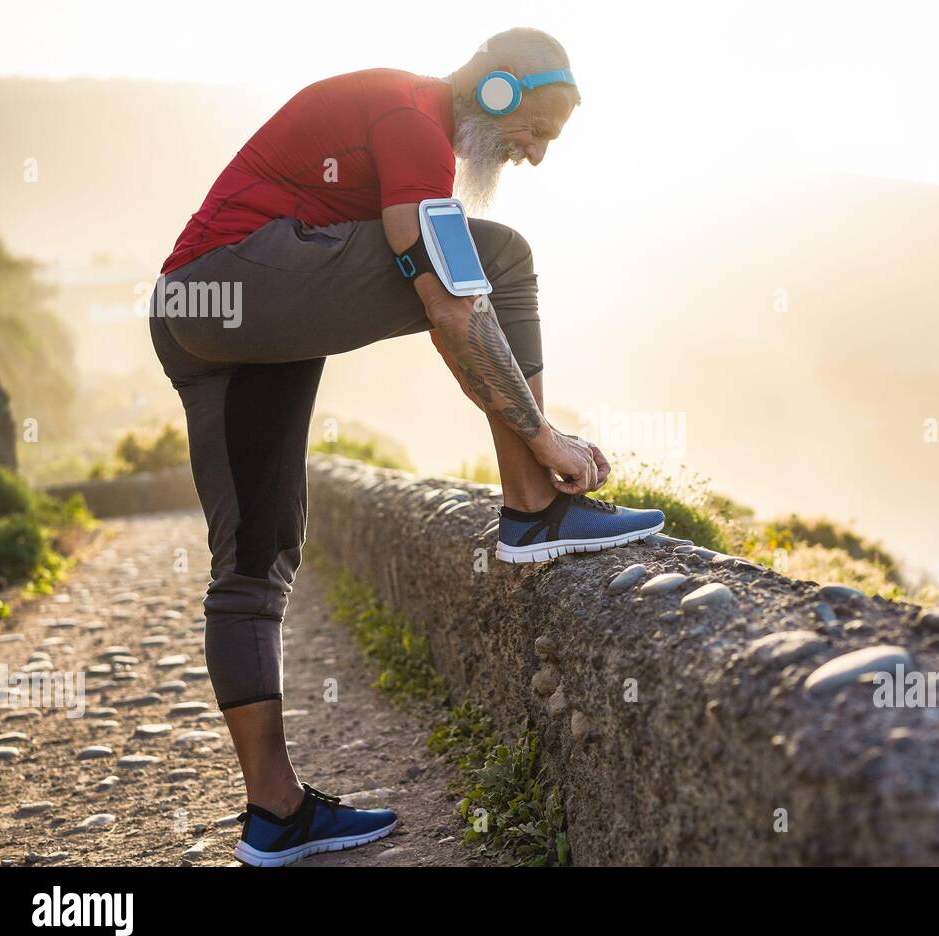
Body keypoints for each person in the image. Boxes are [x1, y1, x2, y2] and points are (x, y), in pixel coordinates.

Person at [149, 27, 663, 866]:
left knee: (255, 557)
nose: (534, 156)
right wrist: (544, 435)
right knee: (498, 257)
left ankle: (274, 816)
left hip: (198, 312)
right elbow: (452, 309)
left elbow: (444, 313)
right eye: (537, 131)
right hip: (240, 287)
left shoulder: (400, 121)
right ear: (496, 92)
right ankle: (533, 507)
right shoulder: (414, 123)